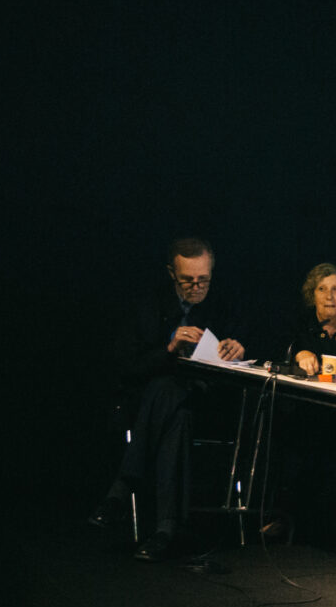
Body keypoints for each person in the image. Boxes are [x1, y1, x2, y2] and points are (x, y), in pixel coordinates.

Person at [102, 237, 247, 561]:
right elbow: (125, 367)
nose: (196, 287)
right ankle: (165, 529)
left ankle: (122, 487)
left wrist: (237, 348)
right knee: (170, 401)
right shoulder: (148, 306)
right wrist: (168, 349)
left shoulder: (225, 303)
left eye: (203, 280)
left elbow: (250, 348)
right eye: (187, 281)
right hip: (151, 408)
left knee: (170, 394)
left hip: (207, 402)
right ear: (171, 274)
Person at [272, 263, 336, 548]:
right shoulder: (298, 328)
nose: (329, 296)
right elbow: (278, 350)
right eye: (322, 289)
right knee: (301, 444)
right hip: (302, 415)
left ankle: (330, 536)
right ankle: (289, 523)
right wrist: (298, 354)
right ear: (312, 295)